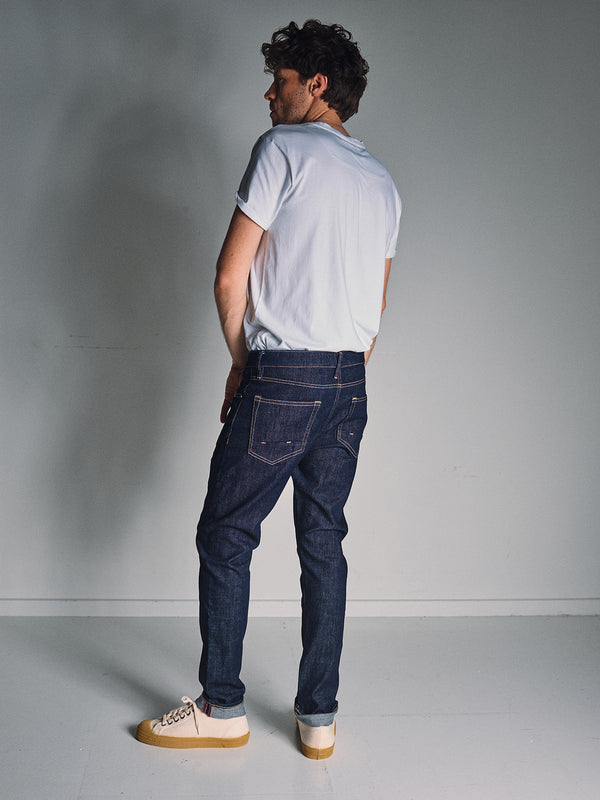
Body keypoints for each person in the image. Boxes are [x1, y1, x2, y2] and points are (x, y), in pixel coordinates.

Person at [136, 19, 401, 759]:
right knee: (323, 545)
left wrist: (246, 361)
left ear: (317, 85)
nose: (268, 92)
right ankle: (319, 719)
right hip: (351, 379)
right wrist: (337, 375)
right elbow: (373, 316)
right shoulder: (382, 181)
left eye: (280, 80)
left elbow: (229, 276)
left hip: (283, 374)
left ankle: (223, 707)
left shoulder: (282, 149)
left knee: (226, 534)